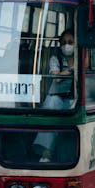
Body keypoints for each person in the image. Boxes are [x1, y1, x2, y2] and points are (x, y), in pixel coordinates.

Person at [33, 29, 76, 162]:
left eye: (70, 42)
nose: (66, 46)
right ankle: (47, 152)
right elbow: (56, 77)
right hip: (58, 98)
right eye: (63, 43)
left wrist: (67, 72)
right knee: (53, 104)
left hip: (75, 99)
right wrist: (71, 70)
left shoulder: (81, 56)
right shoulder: (55, 58)